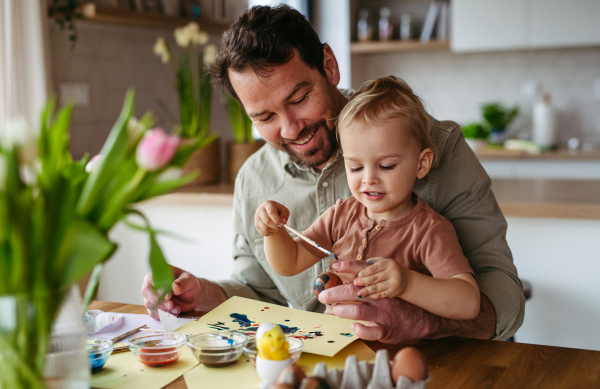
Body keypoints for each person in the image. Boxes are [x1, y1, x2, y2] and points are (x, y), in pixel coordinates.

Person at [141, 4, 525, 343]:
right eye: (265, 117)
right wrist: (203, 294)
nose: (290, 128)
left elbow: (506, 300)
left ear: (329, 65)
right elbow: (262, 293)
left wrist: (419, 321)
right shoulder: (254, 179)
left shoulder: (434, 147)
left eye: (299, 99)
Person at [255, 76, 481, 322]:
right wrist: (273, 233)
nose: (369, 179)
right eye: (355, 168)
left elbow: (468, 302)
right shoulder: (341, 215)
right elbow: (290, 262)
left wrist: (407, 283)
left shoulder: (429, 231)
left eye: (386, 166)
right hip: (339, 348)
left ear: (421, 164)